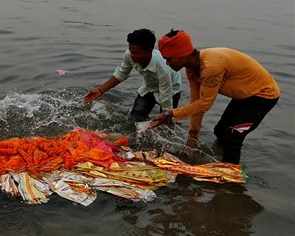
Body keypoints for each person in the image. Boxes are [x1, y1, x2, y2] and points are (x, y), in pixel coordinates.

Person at [148, 30, 280, 164]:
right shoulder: (191, 68)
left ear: (182, 55)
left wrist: (169, 114)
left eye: (168, 59)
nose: (166, 63)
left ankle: (229, 174)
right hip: (244, 95)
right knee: (220, 131)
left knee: (232, 137)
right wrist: (193, 134)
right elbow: (196, 101)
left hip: (263, 95)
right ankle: (221, 161)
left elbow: (205, 104)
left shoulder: (210, 67)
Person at [85, 29, 182, 122]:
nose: (132, 55)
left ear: (149, 50)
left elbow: (166, 94)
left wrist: (165, 115)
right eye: (130, 51)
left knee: (167, 121)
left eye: (135, 53)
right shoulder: (129, 55)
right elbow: (121, 73)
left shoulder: (161, 66)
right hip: (150, 86)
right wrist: (100, 90)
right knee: (135, 118)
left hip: (171, 88)